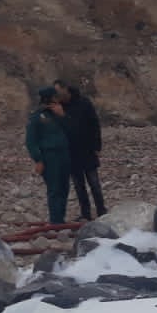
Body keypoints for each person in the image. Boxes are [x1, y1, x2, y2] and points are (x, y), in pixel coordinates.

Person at [54, 80, 106, 220]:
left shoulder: (83, 102)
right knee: (79, 186)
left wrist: (97, 146)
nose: (57, 94)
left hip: (87, 150)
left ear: (65, 89)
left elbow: (94, 124)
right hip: (71, 153)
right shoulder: (59, 107)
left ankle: (102, 211)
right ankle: (86, 214)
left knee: (94, 183)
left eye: (58, 91)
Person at [26, 86, 72, 224]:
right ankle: (56, 221)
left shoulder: (58, 113)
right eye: (55, 97)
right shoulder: (37, 117)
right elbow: (31, 141)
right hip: (50, 157)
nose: (57, 99)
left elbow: (71, 130)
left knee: (64, 187)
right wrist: (38, 160)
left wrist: (63, 116)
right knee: (54, 189)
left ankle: (61, 219)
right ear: (48, 98)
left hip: (64, 154)